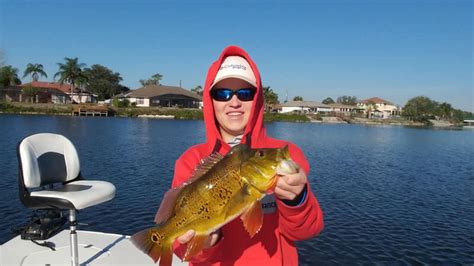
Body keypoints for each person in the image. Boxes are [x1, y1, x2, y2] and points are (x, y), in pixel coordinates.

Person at [157, 45, 324, 265]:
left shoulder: (285, 154)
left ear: (257, 99)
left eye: (244, 93)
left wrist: (297, 200)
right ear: (211, 101)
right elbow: (184, 251)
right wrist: (207, 242)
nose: (234, 102)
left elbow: (306, 231)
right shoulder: (191, 160)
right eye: (222, 93)